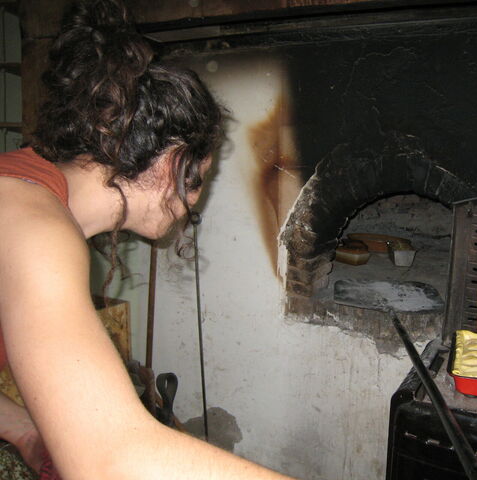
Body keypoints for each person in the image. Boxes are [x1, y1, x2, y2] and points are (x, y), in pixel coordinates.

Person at [0, 1, 295, 479]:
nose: (193, 203)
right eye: (197, 182)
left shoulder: (28, 187)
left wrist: (24, 430)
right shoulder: (38, 229)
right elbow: (109, 460)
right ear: (172, 164)